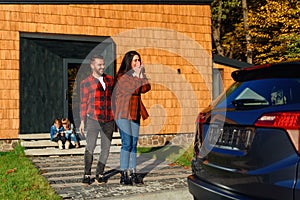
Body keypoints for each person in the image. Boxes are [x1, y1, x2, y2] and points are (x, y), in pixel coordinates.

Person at [113, 50, 151, 185]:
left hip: (135, 112)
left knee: (134, 144)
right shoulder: (122, 76)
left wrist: (140, 75)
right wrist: (138, 76)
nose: (138, 63)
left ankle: (133, 172)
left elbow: (146, 87)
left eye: (139, 60)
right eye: (135, 60)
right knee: (127, 143)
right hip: (123, 113)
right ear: (129, 62)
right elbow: (133, 89)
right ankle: (124, 174)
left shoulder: (138, 75)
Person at [79, 54, 115, 184]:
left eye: (103, 64)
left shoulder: (110, 80)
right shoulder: (86, 83)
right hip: (93, 120)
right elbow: (83, 103)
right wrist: (82, 121)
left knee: (106, 148)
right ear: (92, 65)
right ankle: (87, 174)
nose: (102, 67)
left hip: (109, 120)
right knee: (90, 147)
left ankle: (100, 173)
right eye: (99, 64)